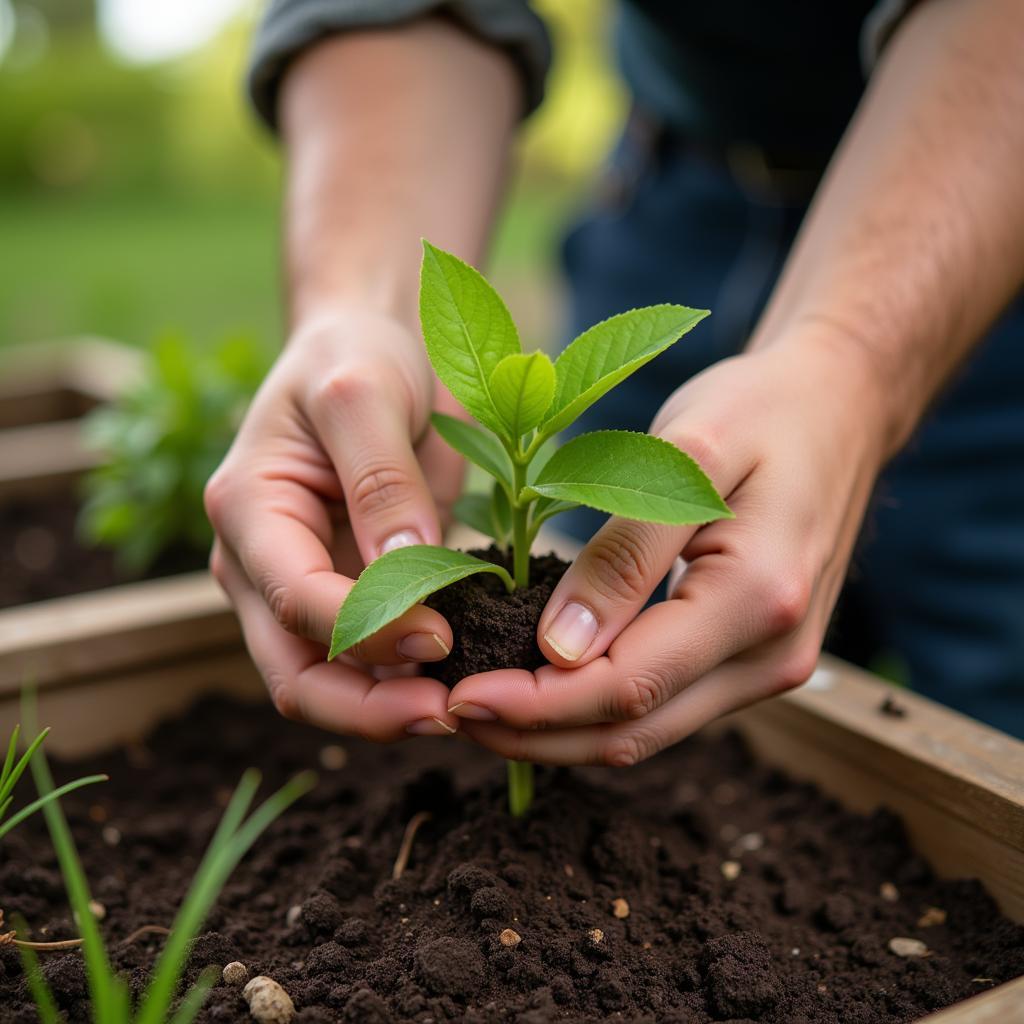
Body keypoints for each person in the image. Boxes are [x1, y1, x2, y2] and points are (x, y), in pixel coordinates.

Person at [204, 0, 1024, 761]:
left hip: (988, 210)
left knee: (989, 734)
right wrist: (364, 312)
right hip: (674, 180)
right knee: (644, 673)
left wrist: (851, 354)